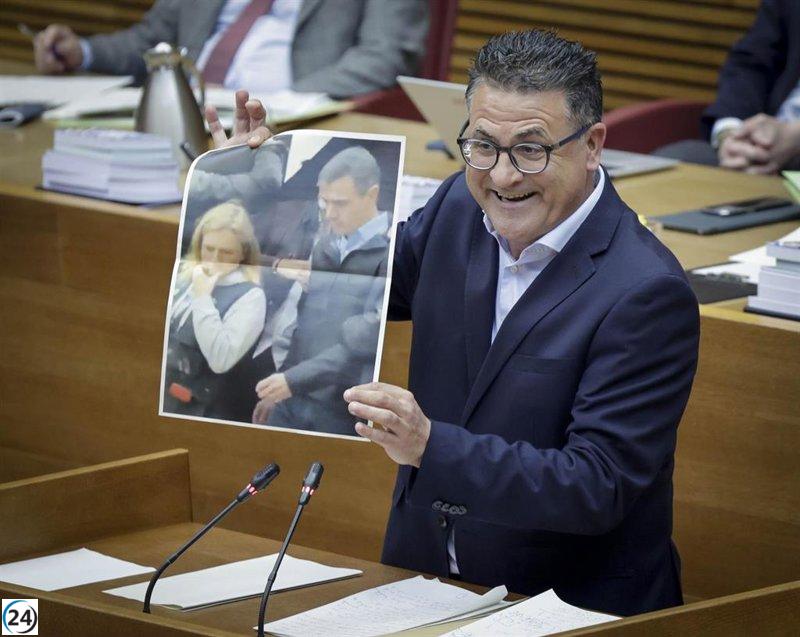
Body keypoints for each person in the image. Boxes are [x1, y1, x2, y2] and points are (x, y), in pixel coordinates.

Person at [210, 30, 700, 616]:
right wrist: (251, 192)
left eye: (531, 149)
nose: (503, 176)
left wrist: (429, 445)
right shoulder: (458, 207)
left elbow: (596, 486)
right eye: (483, 146)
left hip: (564, 604)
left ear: (592, 144)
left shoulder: (646, 291)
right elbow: (353, 282)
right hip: (423, 578)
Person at [252, 146, 391, 436]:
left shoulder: (391, 253)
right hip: (293, 399)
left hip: (341, 411)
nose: (329, 214)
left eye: (340, 203)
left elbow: (363, 345)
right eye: (324, 203)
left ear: (372, 195)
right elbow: (301, 324)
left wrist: (292, 380)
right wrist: (281, 385)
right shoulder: (325, 245)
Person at [33, 0, 429, 98]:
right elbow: (151, 41)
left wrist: (285, 105)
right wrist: (82, 52)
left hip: (290, 125)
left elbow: (385, 54)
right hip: (180, 112)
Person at [657, 0, 800, 173]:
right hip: (763, 142)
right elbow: (752, 62)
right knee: (671, 164)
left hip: (786, 144)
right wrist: (731, 132)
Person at [164, 200, 266, 420]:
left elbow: (221, 359)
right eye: (209, 249)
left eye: (226, 252)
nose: (214, 259)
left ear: (242, 254)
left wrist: (203, 297)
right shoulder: (185, 274)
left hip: (199, 407)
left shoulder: (251, 296)